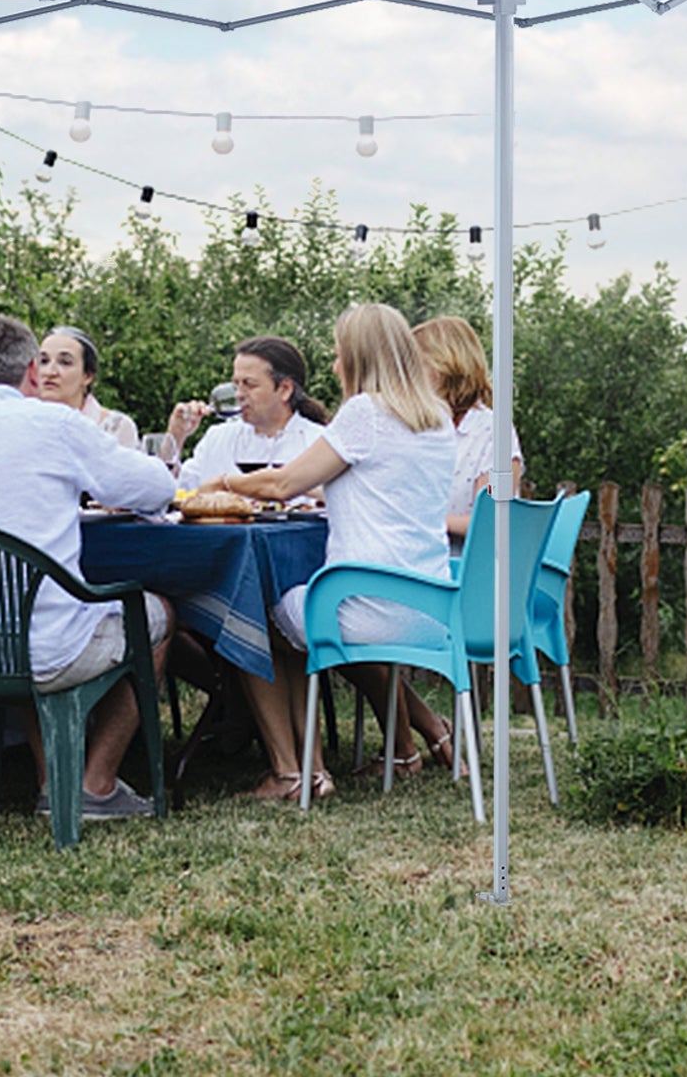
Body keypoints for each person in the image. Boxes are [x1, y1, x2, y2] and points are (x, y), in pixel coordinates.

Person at [0, 314, 176, 823]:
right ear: (32, 371)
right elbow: (155, 490)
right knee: (156, 613)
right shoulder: (58, 426)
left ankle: (53, 777)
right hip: (48, 646)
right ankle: (94, 783)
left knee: (22, 611)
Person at [218, 304, 457, 795]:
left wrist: (224, 481)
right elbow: (385, 484)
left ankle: (294, 771)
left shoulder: (365, 412)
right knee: (297, 613)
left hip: (371, 605)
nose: (333, 366)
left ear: (360, 357)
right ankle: (323, 763)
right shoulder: (437, 417)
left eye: (338, 354)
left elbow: (284, 482)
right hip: (433, 606)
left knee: (253, 614)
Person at [413, 315, 524, 541]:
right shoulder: (421, 427)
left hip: (460, 568)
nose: (406, 377)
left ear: (445, 366)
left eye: (415, 365)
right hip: (417, 560)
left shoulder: (494, 433)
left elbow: (493, 519)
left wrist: (420, 520)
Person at [161, 336, 328, 487]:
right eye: (236, 384)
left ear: (284, 389)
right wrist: (176, 436)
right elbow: (168, 489)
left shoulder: (318, 443)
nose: (239, 394)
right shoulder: (218, 439)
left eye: (249, 384)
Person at [36, 325, 142, 449]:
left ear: (87, 376)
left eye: (65, 362)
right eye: (43, 361)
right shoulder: (26, 423)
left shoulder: (114, 428)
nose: (50, 372)